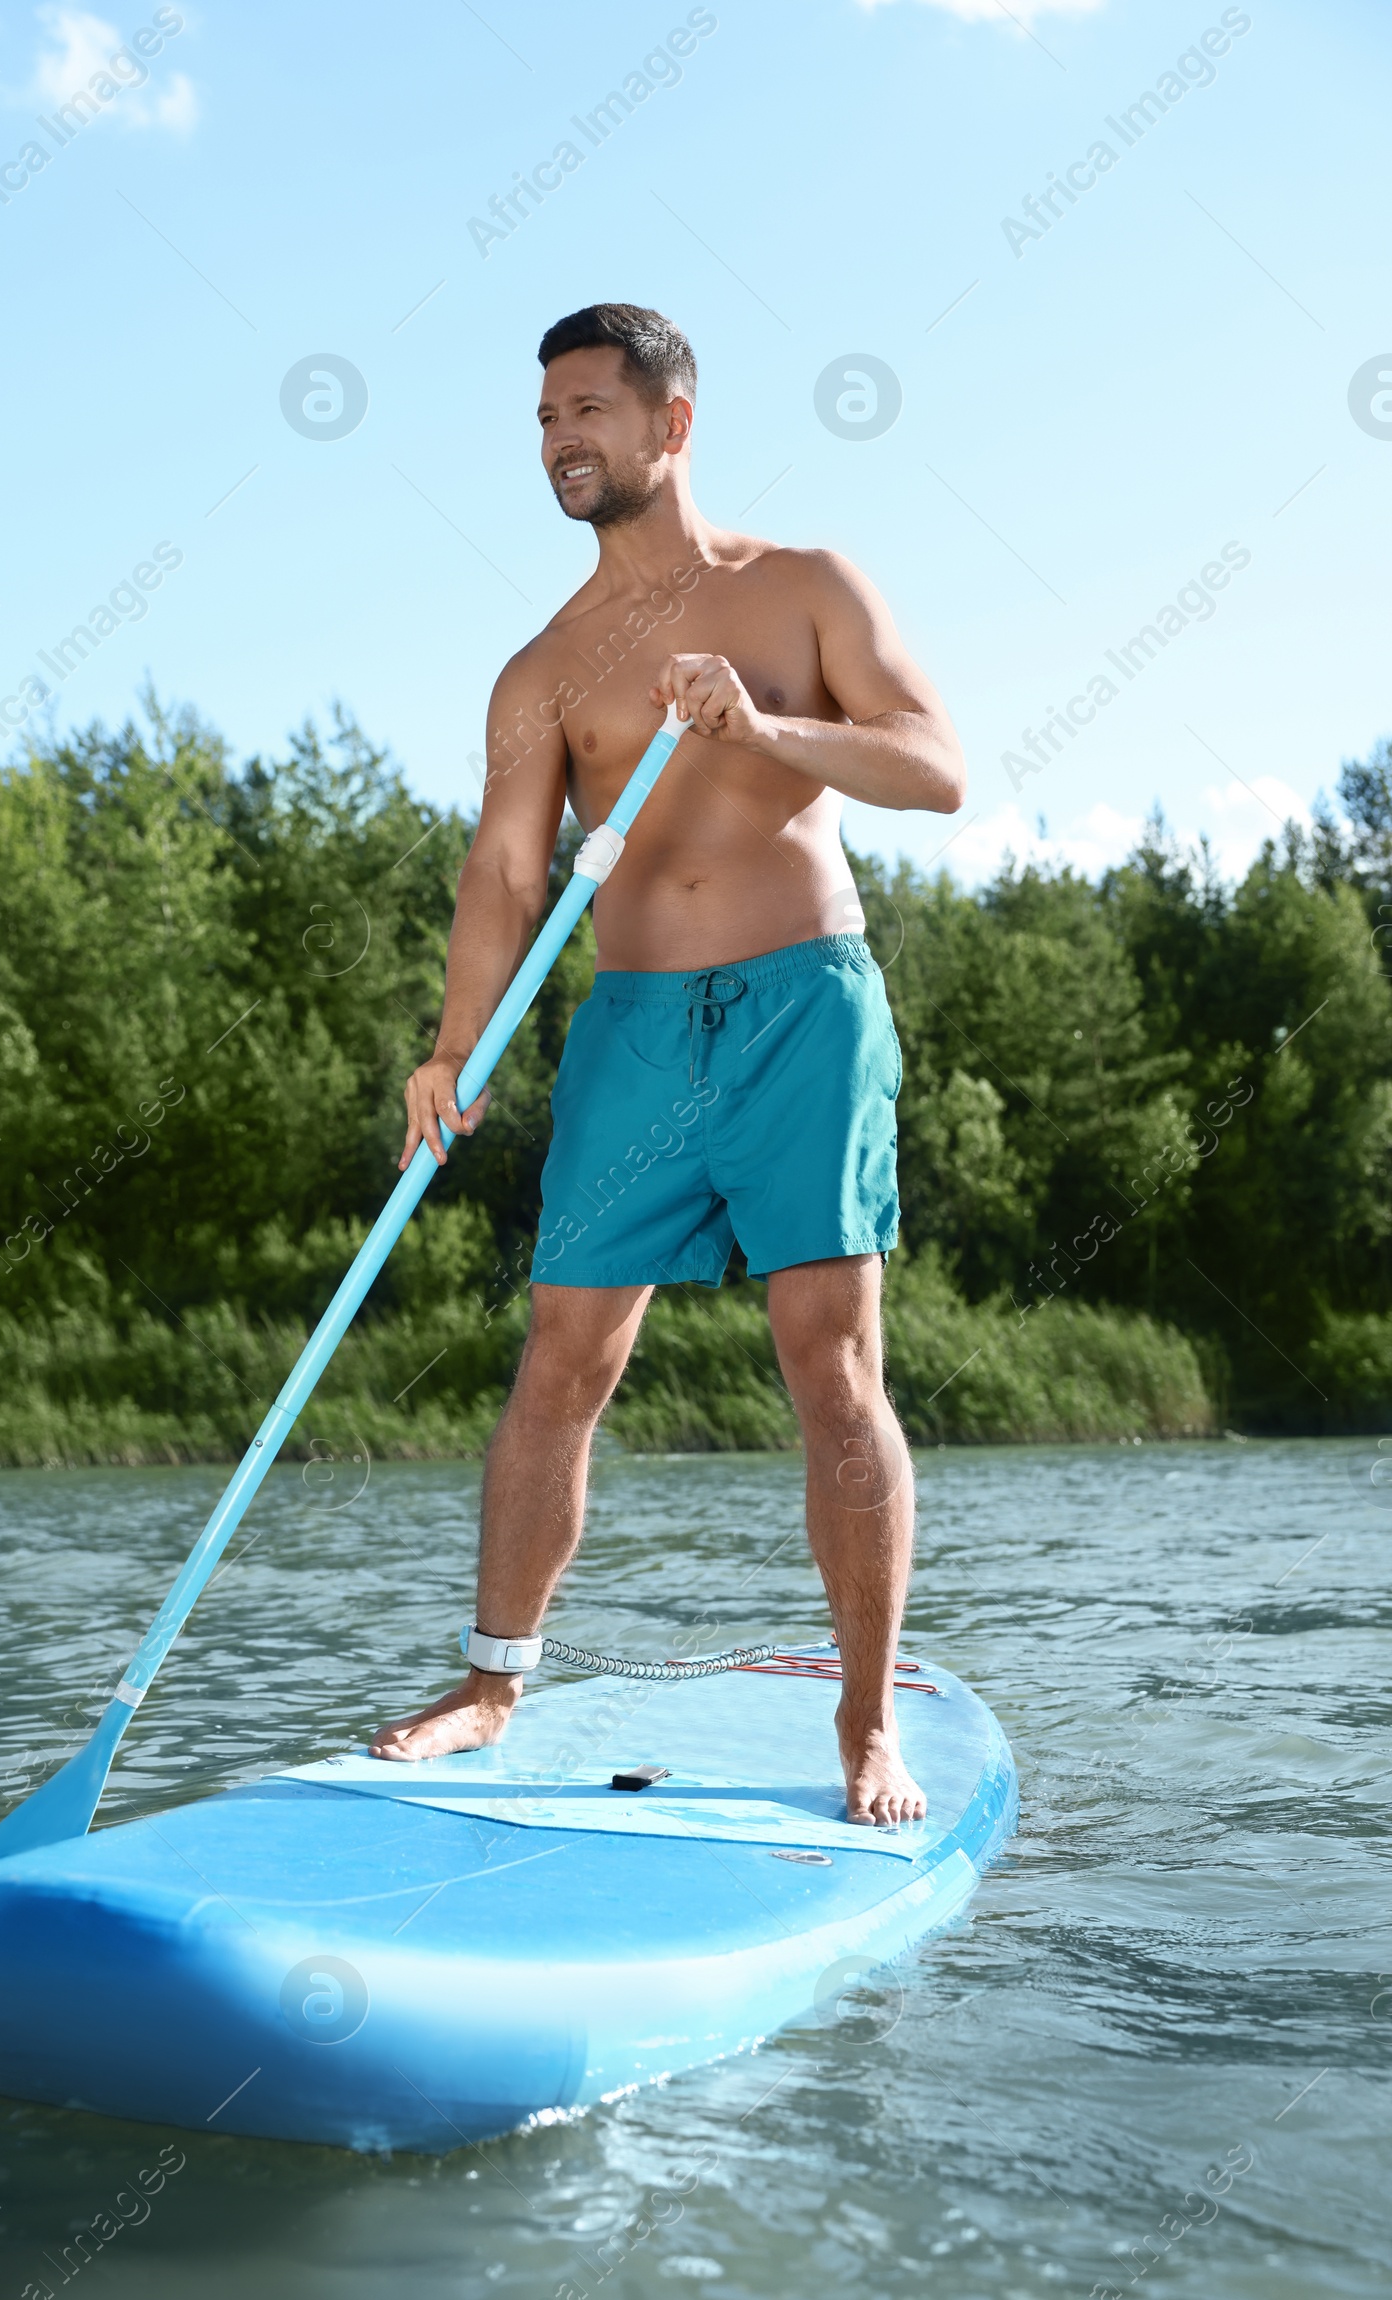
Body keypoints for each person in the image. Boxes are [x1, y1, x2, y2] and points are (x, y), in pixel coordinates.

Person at [371, 303, 964, 1823]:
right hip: (633, 1031)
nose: (562, 440)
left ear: (672, 422)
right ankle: (496, 1683)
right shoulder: (543, 671)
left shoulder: (808, 586)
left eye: (588, 410)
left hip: (801, 1011)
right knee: (563, 1358)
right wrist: (453, 1050)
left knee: (832, 1367)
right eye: (546, 421)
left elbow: (934, 767)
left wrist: (765, 725)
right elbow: (506, 877)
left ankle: (865, 1722)